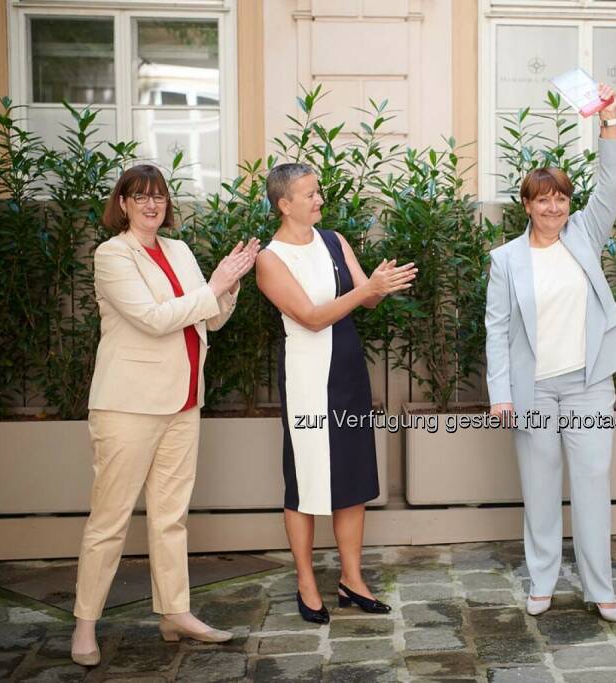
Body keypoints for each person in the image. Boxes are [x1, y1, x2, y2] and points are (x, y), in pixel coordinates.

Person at [71, 165, 260, 666]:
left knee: (171, 516)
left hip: (183, 400)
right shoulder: (112, 254)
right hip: (128, 405)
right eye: (140, 197)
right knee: (109, 520)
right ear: (124, 204)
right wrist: (215, 283)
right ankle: (84, 625)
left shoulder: (177, 250)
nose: (151, 205)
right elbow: (153, 320)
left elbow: (211, 317)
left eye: (159, 196)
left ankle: (174, 612)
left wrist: (230, 282)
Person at [485, 84, 616, 623]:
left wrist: (610, 124)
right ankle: (543, 581)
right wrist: (501, 394)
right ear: (527, 205)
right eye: (542, 198)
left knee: (593, 486)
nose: (553, 206)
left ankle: (601, 589)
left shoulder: (585, 234)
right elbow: (497, 329)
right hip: (533, 389)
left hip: (589, 383)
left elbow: (612, 184)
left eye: (561, 197)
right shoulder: (505, 260)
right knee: (541, 491)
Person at [255, 163, 416, 624]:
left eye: (317, 191)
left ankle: (351, 579)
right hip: (308, 379)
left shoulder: (333, 240)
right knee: (305, 479)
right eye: (309, 194)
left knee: (352, 476)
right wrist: (367, 288)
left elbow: (364, 299)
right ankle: (306, 582)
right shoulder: (271, 259)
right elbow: (309, 316)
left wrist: (379, 286)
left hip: (346, 371)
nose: (319, 199)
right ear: (284, 204)